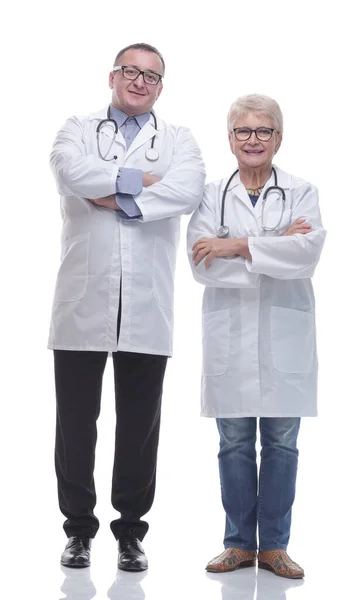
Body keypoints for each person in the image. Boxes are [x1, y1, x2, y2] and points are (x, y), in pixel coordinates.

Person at [49, 42, 205, 571]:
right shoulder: (76, 128)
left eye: (152, 76)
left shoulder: (179, 140)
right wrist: (144, 184)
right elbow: (70, 171)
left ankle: (131, 533)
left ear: (161, 87)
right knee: (76, 423)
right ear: (112, 76)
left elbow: (187, 190)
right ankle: (77, 531)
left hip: (147, 304)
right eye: (131, 71)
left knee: (140, 427)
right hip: (82, 303)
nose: (140, 82)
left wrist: (113, 191)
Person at [187, 94, 326, 578]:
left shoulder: (302, 191)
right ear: (229, 139)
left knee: (283, 443)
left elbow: (306, 256)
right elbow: (200, 263)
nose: (253, 140)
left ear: (279, 139)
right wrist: (272, 249)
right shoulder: (210, 194)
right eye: (243, 131)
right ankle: (240, 543)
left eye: (263, 131)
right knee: (234, 444)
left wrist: (238, 245)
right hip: (230, 336)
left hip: (286, 337)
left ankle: (276, 547)